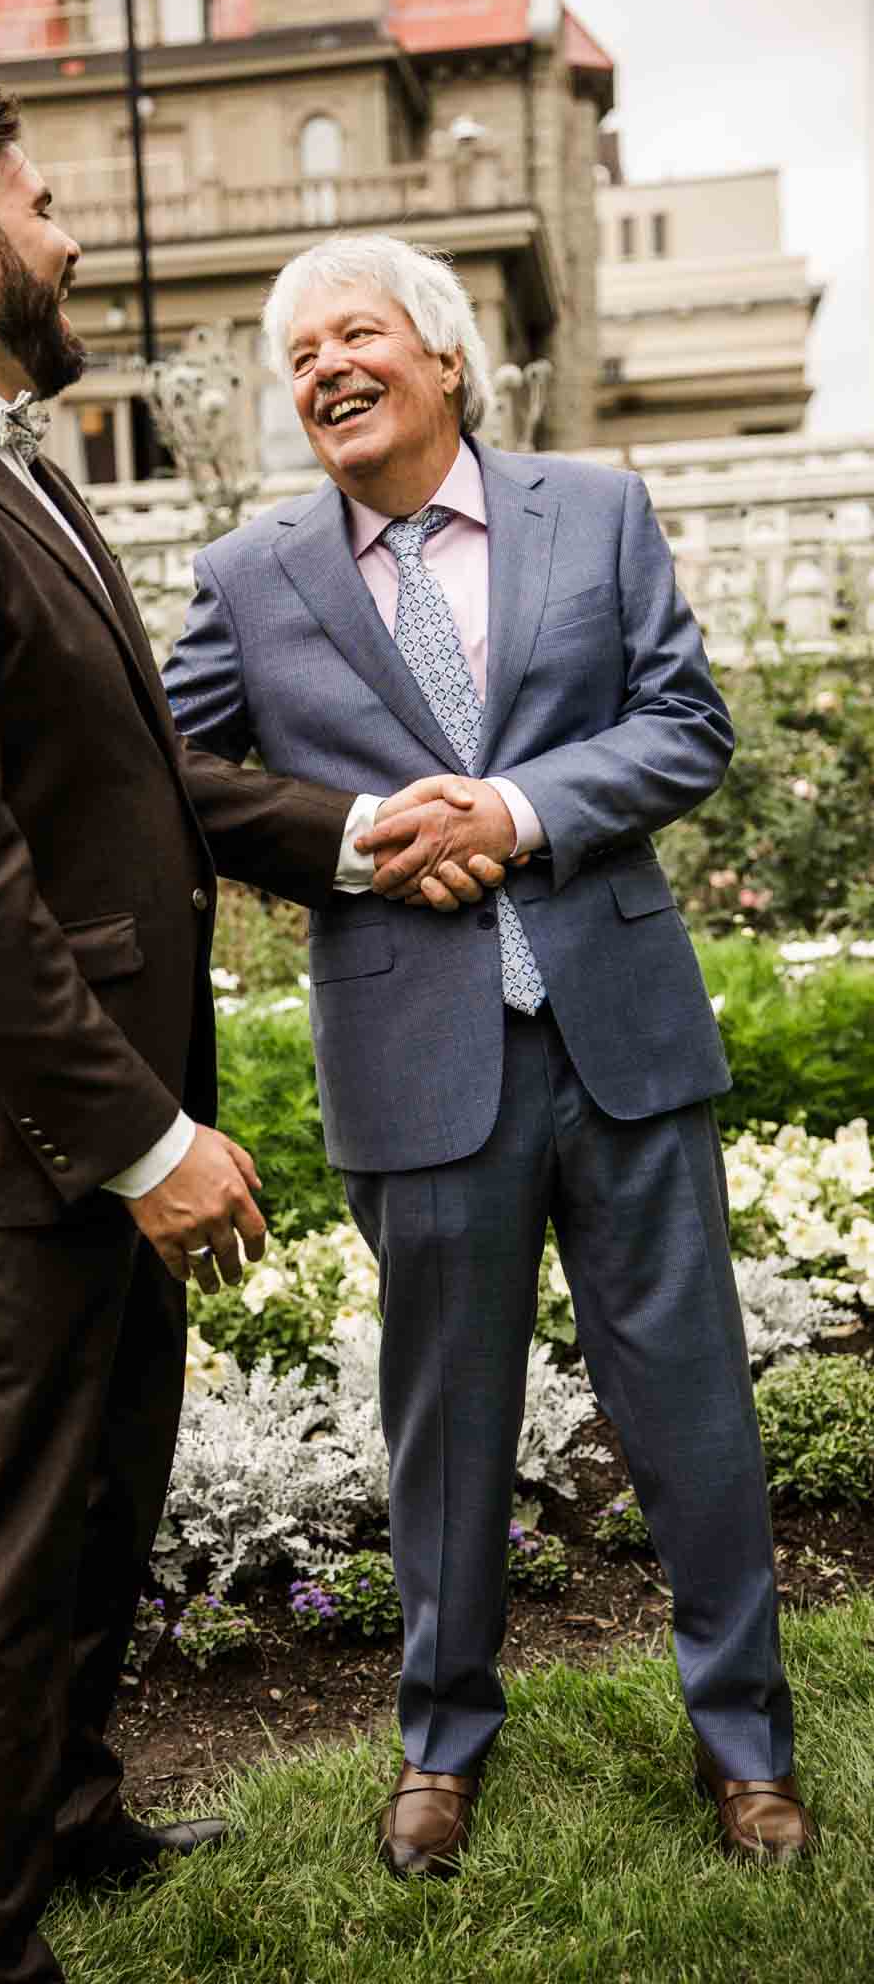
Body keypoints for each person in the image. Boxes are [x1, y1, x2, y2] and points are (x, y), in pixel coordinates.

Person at [0, 74, 398, 1984]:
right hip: (9, 1142)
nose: (67, 234)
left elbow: (122, 778)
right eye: (41, 204)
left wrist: (352, 832)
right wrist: (135, 1140)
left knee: (100, 1507)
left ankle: (68, 1819)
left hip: (80, 1118)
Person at [162, 232, 817, 1879]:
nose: (320, 365)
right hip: (413, 1060)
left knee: (690, 1413)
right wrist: (366, 836)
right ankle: (439, 1747)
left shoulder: (590, 513)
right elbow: (161, 772)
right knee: (441, 1424)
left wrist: (515, 812)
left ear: (444, 359)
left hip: (621, 1040)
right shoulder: (252, 576)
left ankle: (744, 1748)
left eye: (353, 332)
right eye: (295, 351)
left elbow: (682, 726)